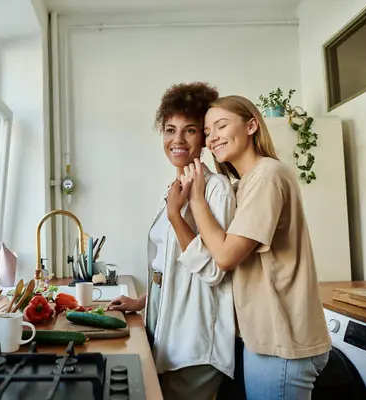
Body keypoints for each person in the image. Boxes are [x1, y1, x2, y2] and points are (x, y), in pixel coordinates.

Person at [180, 95, 331, 400]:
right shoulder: (244, 183)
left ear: (251, 126)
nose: (213, 138)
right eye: (208, 132)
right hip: (269, 340)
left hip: (282, 344)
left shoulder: (268, 176)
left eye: (221, 126)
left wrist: (195, 199)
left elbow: (224, 257)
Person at [107, 82, 236, 400]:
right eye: (169, 129)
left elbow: (213, 270)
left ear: (204, 137)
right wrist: (143, 302)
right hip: (166, 328)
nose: (177, 140)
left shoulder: (216, 189)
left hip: (195, 342)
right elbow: (170, 263)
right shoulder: (177, 186)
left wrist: (176, 216)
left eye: (189, 130)